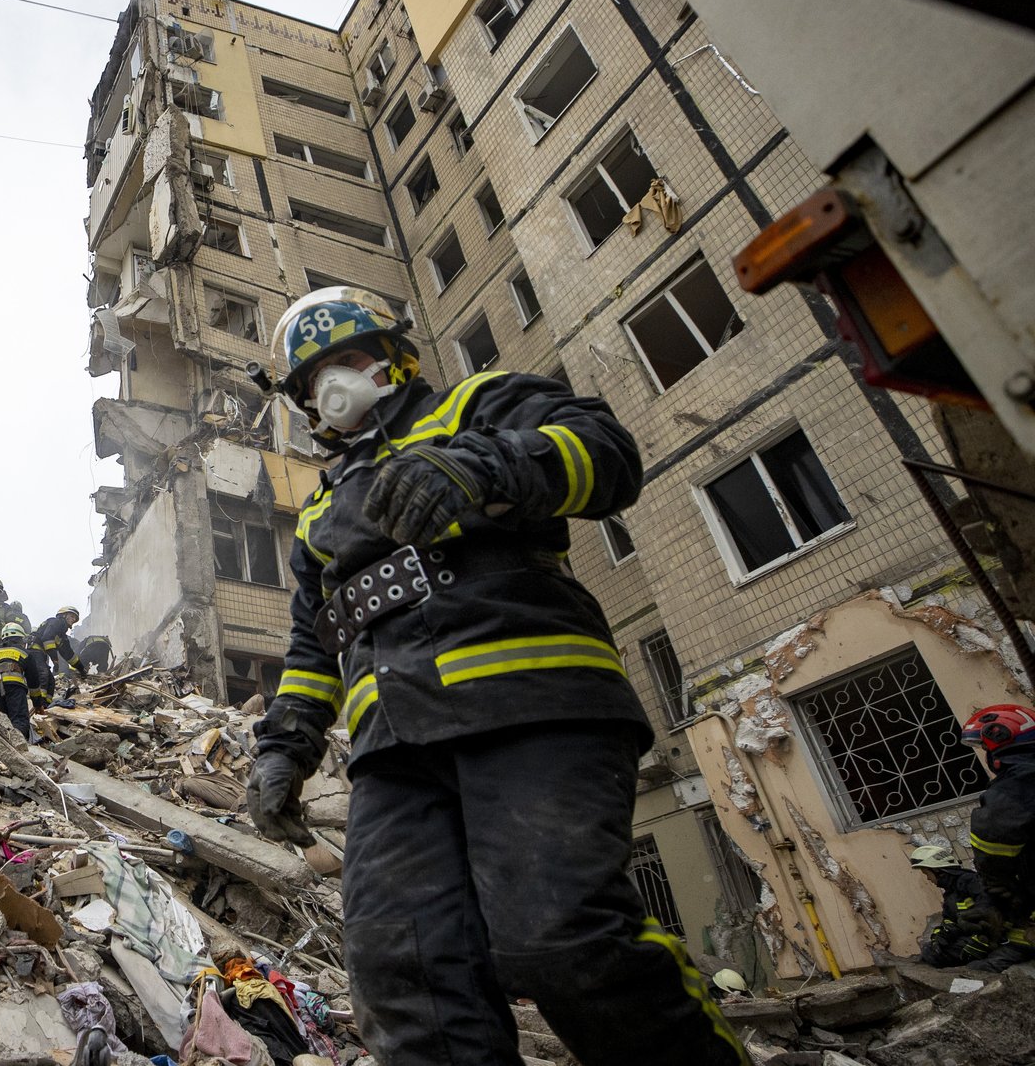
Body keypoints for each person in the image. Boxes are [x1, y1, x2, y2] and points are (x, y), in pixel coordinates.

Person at [242, 287, 747, 1066]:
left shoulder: (478, 404)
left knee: (558, 937)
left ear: (392, 360)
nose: (331, 385)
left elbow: (608, 455)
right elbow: (315, 642)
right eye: (313, 379)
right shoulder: (319, 511)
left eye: (345, 361)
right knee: (404, 974)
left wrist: (481, 465)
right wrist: (286, 746)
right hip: (395, 755)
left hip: (531, 704)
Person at [961, 704, 1035, 972]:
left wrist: (996, 892)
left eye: (984, 747)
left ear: (1000, 738)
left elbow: (993, 839)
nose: (986, 754)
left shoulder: (1018, 783)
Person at [908, 844, 997, 968]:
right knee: (930, 950)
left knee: (932, 956)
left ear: (937, 870)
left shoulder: (969, 881)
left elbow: (990, 911)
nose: (928, 878)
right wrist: (939, 937)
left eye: (927, 873)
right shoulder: (951, 892)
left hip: (987, 939)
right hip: (970, 937)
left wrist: (981, 940)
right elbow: (949, 920)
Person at [0, 620, 51, 741]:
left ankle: (4, 744)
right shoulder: (24, 653)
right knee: (19, 720)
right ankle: (18, 745)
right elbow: (33, 683)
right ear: (20, 639)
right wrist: (37, 704)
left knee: (4, 721)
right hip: (14, 688)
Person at [34, 606, 87, 696]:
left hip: (41, 654)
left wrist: (81, 669)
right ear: (63, 615)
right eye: (72, 616)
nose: (73, 620)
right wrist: (55, 660)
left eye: (75, 619)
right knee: (44, 676)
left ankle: (46, 704)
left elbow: (69, 655)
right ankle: (40, 704)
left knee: (50, 682)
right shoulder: (56, 622)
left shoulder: (61, 636)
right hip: (34, 651)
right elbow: (47, 639)